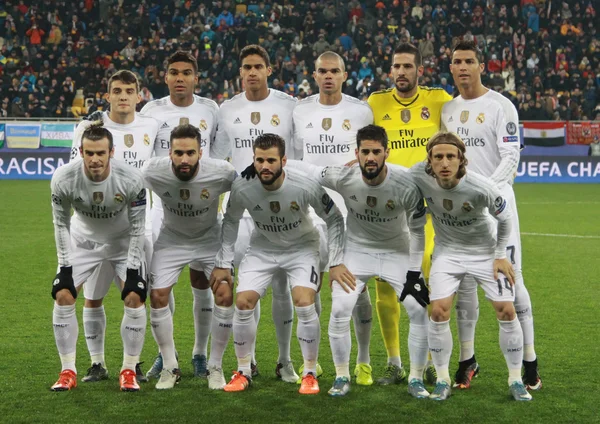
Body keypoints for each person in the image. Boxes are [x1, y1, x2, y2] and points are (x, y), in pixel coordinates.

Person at [287, 124, 430, 398]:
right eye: (365, 152)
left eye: (377, 151)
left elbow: (418, 231)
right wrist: (271, 165)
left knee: (418, 310)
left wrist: (414, 273)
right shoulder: (344, 176)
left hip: (396, 253)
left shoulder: (405, 184)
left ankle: (416, 377)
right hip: (357, 252)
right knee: (340, 308)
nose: (371, 157)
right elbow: (309, 169)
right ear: (357, 153)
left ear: (387, 152)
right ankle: (341, 376)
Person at [209, 133, 346, 395]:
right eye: (259, 160)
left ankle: (309, 372)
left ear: (284, 160)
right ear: (253, 160)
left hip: (302, 247)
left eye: (271, 160)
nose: (265, 166)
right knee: (243, 302)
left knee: (304, 301)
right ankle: (243, 371)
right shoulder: (243, 187)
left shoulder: (304, 185)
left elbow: (335, 219)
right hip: (263, 248)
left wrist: (337, 260)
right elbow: (230, 221)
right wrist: (223, 263)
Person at [442, 40, 542, 391]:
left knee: (513, 283)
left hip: (496, 208)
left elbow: (510, 157)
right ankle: (468, 361)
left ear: (481, 65)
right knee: (465, 285)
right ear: (451, 68)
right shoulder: (448, 110)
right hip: (461, 214)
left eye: (470, 61)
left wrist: (485, 192)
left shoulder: (502, 106)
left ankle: (529, 360)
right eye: (457, 62)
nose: (463, 67)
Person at [408, 131, 532, 402]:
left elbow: (505, 218)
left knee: (507, 311)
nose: (444, 163)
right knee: (438, 312)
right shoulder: (418, 175)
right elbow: (393, 176)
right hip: (448, 253)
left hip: (485, 252)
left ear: (461, 159)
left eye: (450, 156)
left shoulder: (480, 186)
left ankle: (515, 379)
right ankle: (442, 380)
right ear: (429, 159)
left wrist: (500, 254)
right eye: (438, 156)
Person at [211, 45, 298, 382]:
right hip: (242, 212)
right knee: (247, 285)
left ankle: (284, 359)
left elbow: (298, 154)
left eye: (258, 66)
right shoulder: (227, 108)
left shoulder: (288, 105)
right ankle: (247, 362)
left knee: (281, 286)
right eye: (246, 67)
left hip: (280, 210)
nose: (251, 72)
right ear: (240, 71)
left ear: (269, 69)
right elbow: (219, 160)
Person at [367, 43, 452, 385]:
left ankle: (429, 359)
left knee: (425, 275)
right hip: (385, 209)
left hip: (425, 210)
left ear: (420, 70)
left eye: (407, 66)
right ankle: (394, 361)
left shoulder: (440, 100)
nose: (401, 72)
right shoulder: (375, 103)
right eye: (396, 66)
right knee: (385, 286)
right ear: (390, 71)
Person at [69, 70, 159, 384]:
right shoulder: (89, 127)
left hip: (136, 227)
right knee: (92, 298)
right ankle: (97, 363)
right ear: (108, 94)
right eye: (117, 90)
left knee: (135, 296)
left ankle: (131, 365)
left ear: (139, 95)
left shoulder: (152, 126)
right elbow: (73, 171)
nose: (123, 96)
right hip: (94, 228)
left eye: (129, 90)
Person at [292, 51, 374, 385]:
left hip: (350, 210)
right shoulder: (300, 111)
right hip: (311, 212)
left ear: (344, 74)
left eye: (334, 71)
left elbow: (369, 153)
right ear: (314, 74)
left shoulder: (360, 110)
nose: (328, 76)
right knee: (309, 286)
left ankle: (364, 361)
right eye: (322, 71)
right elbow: (296, 157)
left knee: (357, 290)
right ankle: (313, 361)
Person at [50, 125, 148, 392]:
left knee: (134, 297)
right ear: (81, 152)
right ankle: (67, 371)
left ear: (111, 152)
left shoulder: (131, 178)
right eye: (89, 153)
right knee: (63, 294)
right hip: (83, 242)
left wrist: (133, 270)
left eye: (101, 153)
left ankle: (128, 371)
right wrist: (66, 267)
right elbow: (60, 225)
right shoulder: (63, 178)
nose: (95, 159)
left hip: (122, 242)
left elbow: (139, 227)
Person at [141, 51, 220, 380]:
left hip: (203, 205)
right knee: (160, 284)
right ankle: (165, 354)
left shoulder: (210, 110)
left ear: (196, 78)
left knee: (203, 280)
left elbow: (219, 154)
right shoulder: (151, 111)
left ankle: (200, 353)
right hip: (162, 207)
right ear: (165, 76)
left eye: (186, 72)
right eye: (173, 72)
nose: (179, 78)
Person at [141, 124, 237, 390]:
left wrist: (226, 257)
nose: (184, 159)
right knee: (157, 296)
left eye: (190, 153)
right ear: (169, 152)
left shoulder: (221, 172)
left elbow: (244, 194)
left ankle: (214, 366)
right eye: (179, 153)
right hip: (171, 239)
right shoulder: (152, 170)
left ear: (200, 153)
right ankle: (170, 366)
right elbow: (130, 188)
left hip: (209, 239)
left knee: (225, 293)